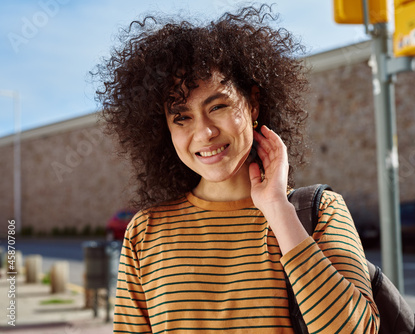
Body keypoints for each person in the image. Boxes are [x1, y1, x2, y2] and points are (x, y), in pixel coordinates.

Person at [94, 4, 379, 333]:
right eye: (182, 117)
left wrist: (277, 209)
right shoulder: (145, 233)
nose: (205, 132)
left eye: (218, 106)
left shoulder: (320, 212)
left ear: (253, 102)